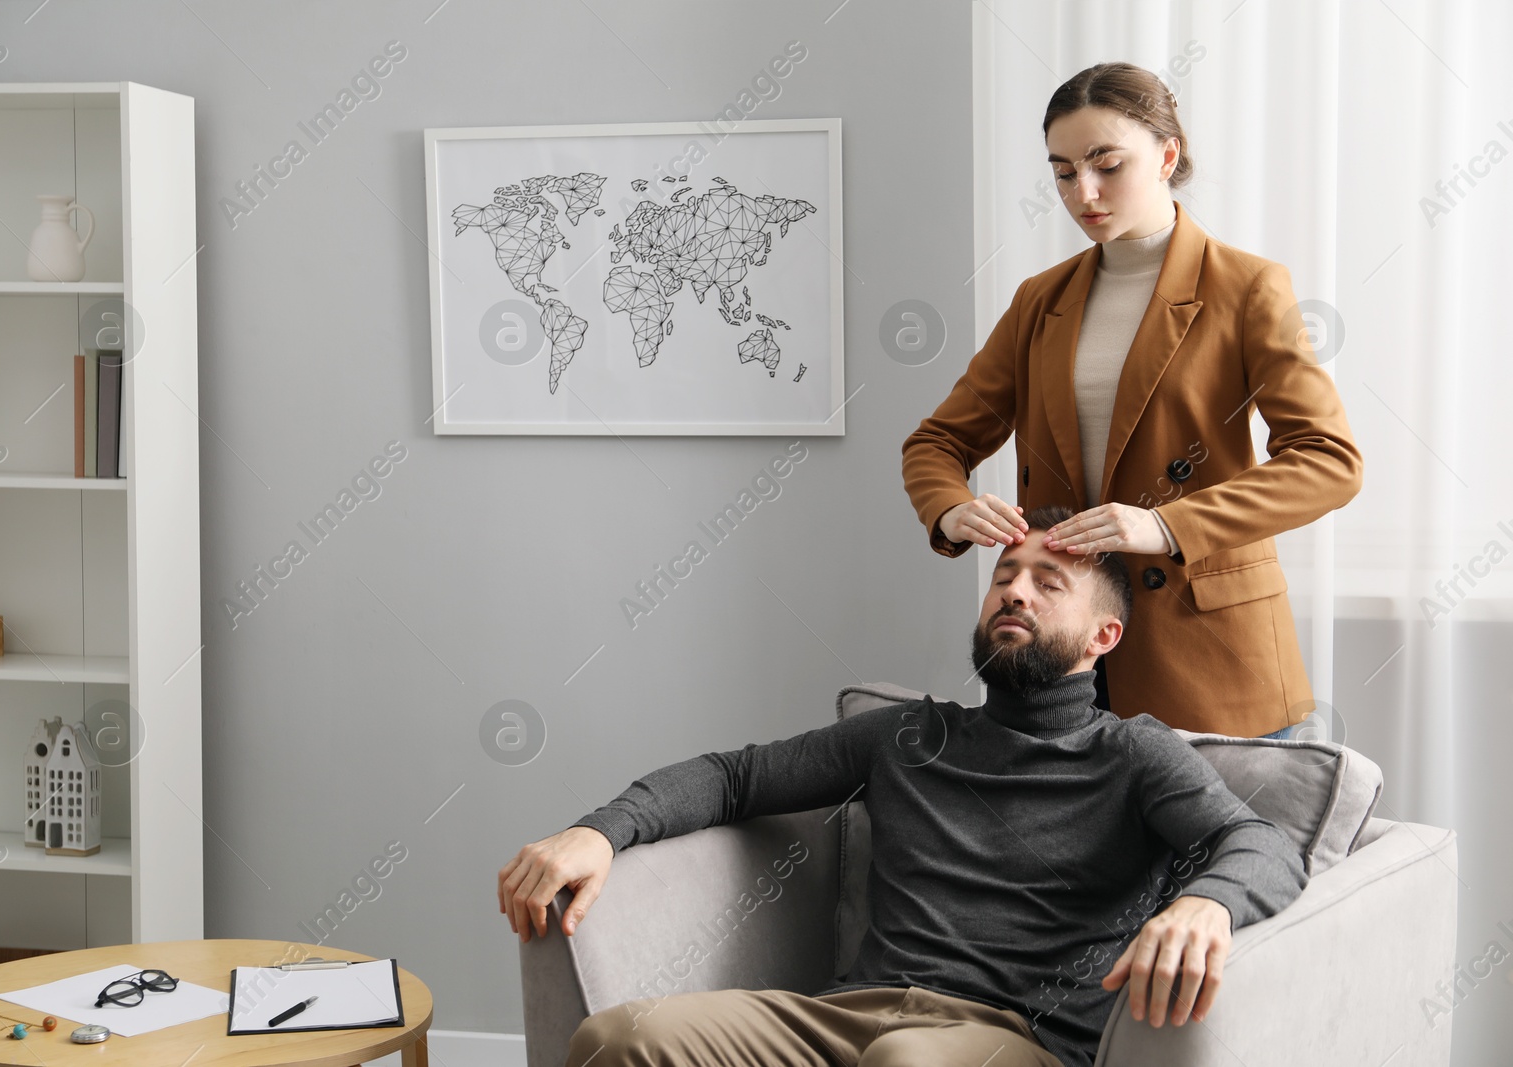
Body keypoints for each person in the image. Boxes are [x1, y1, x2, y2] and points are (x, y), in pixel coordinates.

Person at [496, 505, 1308, 1067]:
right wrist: (600, 830)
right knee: (620, 1038)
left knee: (906, 1059)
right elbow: (734, 776)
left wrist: (1208, 902)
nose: (1014, 591)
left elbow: (1260, 842)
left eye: (1047, 583)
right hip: (849, 1015)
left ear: (1104, 636)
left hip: (1007, 1039)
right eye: (1004, 577)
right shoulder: (909, 735)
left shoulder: (1133, 752)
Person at [902, 61, 1362, 739]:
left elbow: (1329, 461)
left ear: (1167, 156)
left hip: (1209, 653)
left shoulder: (1247, 287)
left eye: (1106, 164)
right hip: (1066, 655)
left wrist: (1168, 525)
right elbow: (937, 442)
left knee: (1228, 844)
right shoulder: (1041, 298)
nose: (1082, 191)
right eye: (1062, 172)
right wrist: (951, 511)